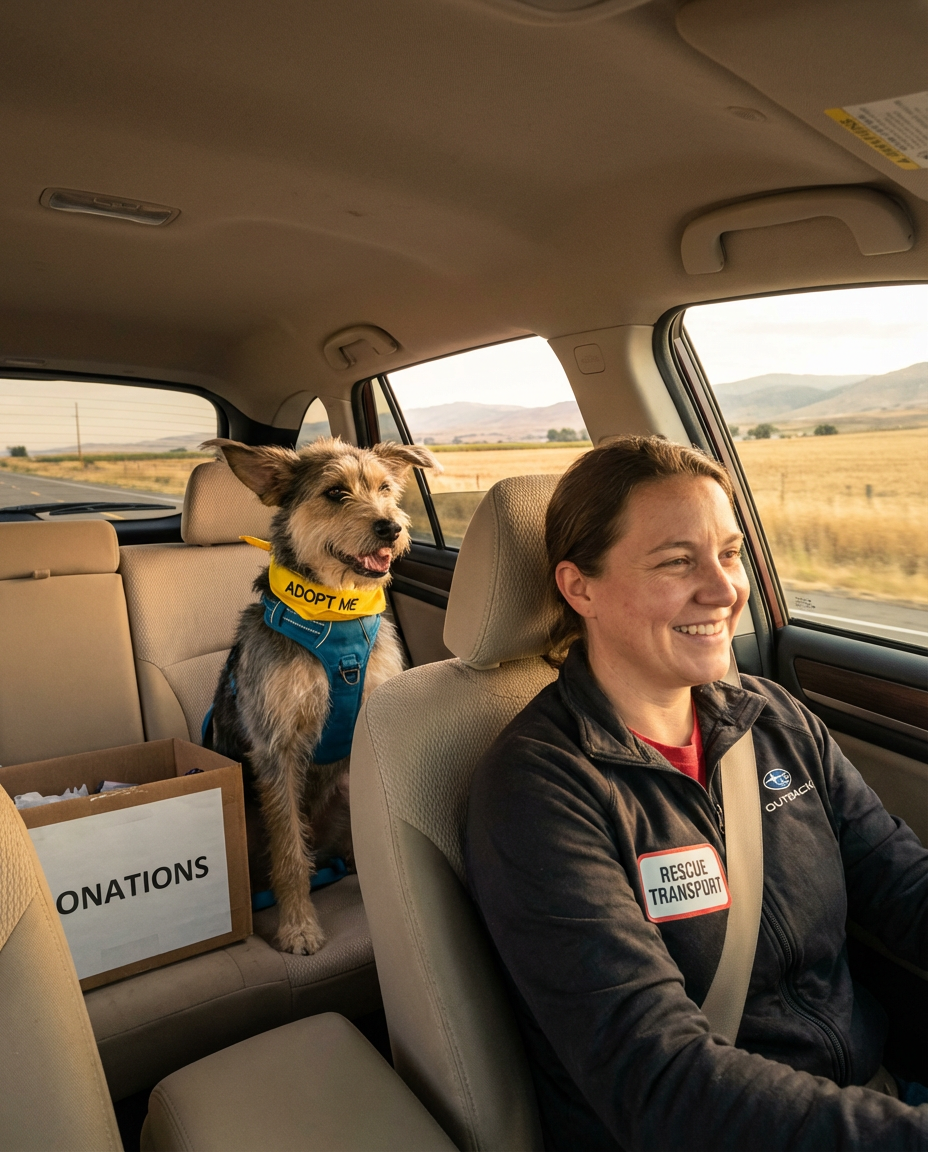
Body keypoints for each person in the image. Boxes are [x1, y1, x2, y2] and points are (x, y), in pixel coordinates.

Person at [465, 435, 927, 1151]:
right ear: (578, 586)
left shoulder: (771, 719)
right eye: (677, 562)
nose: (724, 590)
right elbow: (660, 1078)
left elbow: (904, 888)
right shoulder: (538, 790)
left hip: (867, 1099)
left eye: (730, 553)